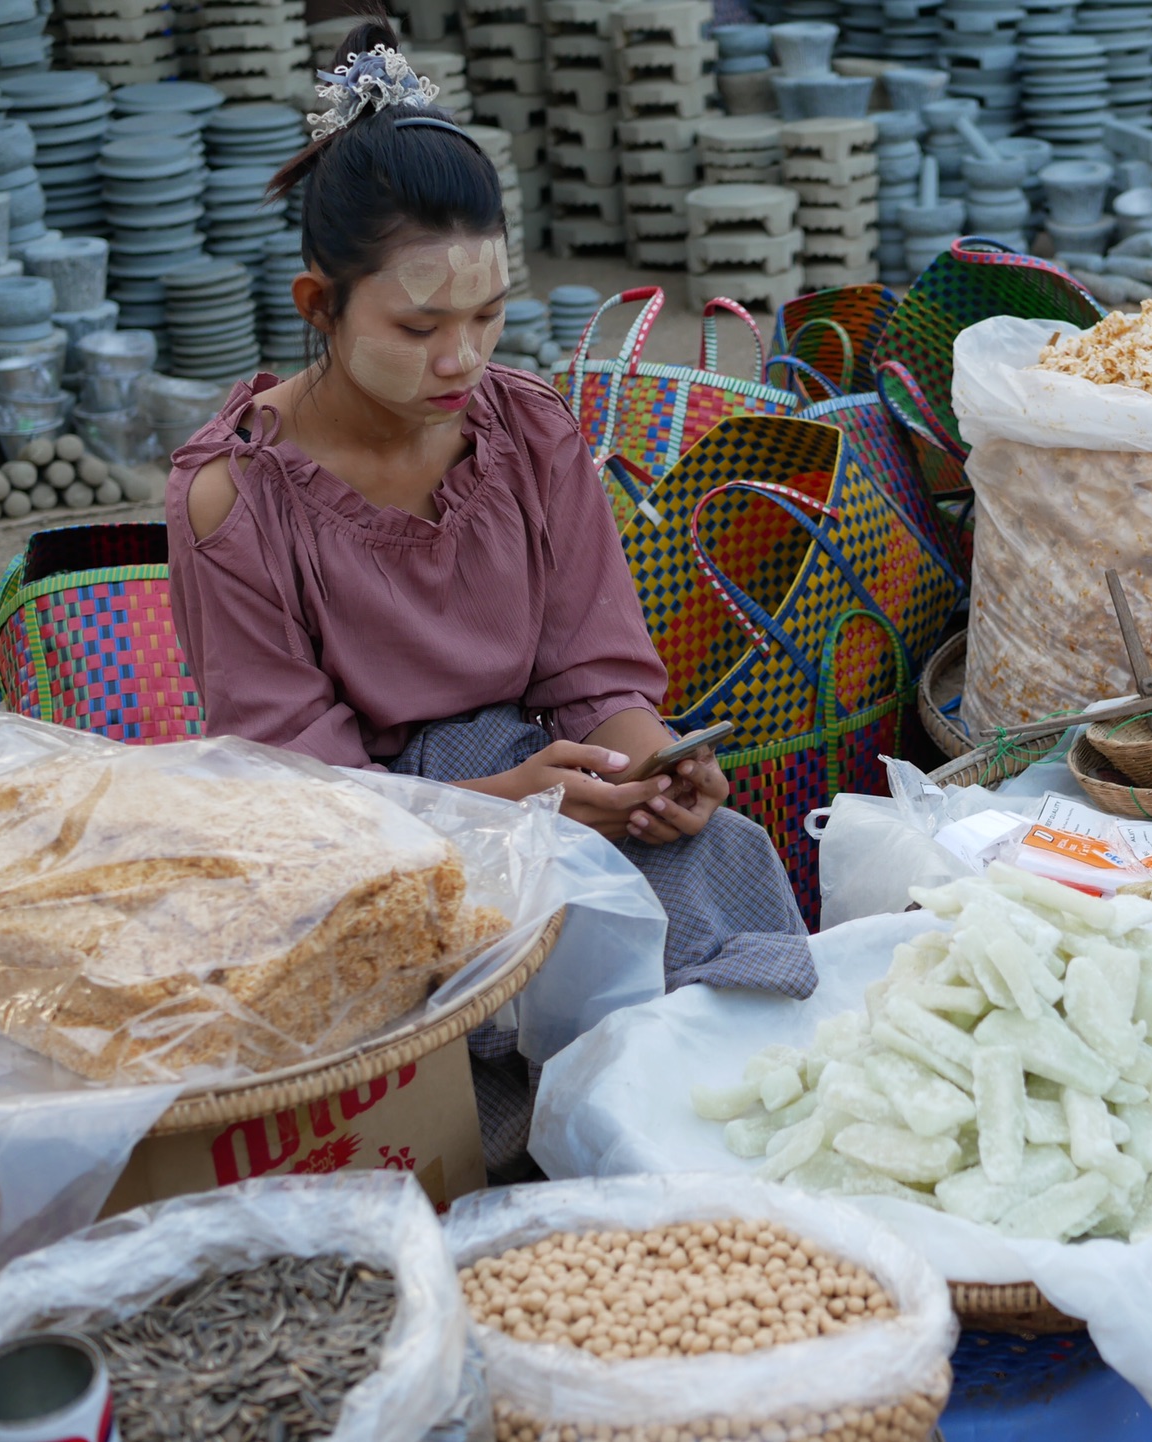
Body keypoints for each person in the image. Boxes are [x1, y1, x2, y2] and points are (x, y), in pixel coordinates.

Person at [164, 22, 813, 1177]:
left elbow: (592, 669)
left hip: (535, 774)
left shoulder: (530, 432)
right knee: (417, 1001)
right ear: (320, 304)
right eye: (418, 327)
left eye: (490, 314)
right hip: (363, 852)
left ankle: (686, 1131)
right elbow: (300, 796)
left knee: (714, 856)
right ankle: (520, 1151)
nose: (463, 357)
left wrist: (652, 759)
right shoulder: (236, 499)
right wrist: (506, 813)